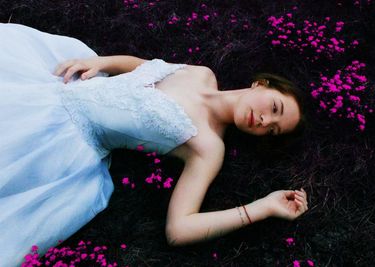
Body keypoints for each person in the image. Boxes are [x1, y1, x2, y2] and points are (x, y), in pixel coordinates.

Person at [0, 22, 309, 266]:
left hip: (64, 140)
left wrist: (263, 207)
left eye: (272, 131)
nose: (265, 121)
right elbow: (144, 66)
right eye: (275, 108)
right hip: (57, 88)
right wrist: (102, 62)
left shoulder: (210, 147)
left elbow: (179, 230)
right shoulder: (202, 74)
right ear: (262, 83)